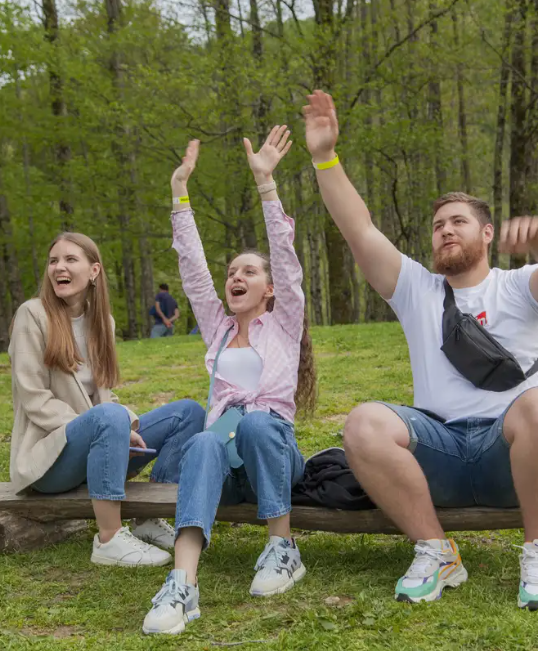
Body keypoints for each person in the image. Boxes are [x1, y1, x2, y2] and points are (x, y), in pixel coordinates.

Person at [302, 90, 538, 611]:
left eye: (458, 221)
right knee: (364, 423)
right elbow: (358, 229)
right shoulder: (417, 289)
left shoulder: (519, 286)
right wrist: (325, 157)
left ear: (488, 233)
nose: (446, 230)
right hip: (440, 454)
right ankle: (435, 550)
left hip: (510, 457)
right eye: (438, 225)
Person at [142, 127, 317, 634]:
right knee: (201, 442)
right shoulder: (218, 329)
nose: (236, 277)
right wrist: (180, 193)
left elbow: (284, 258)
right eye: (232, 271)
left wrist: (266, 185)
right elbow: (193, 269)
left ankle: (282, 549)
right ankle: (182, 585)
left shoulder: (284, 323)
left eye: (249, 272)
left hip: (274, 456)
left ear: (269, 290)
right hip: (226, 465)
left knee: (260, 424)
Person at [9, 232, 206, 567]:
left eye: (71, 260)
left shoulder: (102, 322)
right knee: (110, 417)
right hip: (50, 460)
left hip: (97, 444)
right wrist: (103, 427)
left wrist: (122, 425)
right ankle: (109, 540)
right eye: (54, 261)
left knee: (188, 413)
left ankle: (146, 518)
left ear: (94, 270)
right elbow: (34, 398)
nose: (59, 267)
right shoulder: (32, 315)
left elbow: (104, 393)